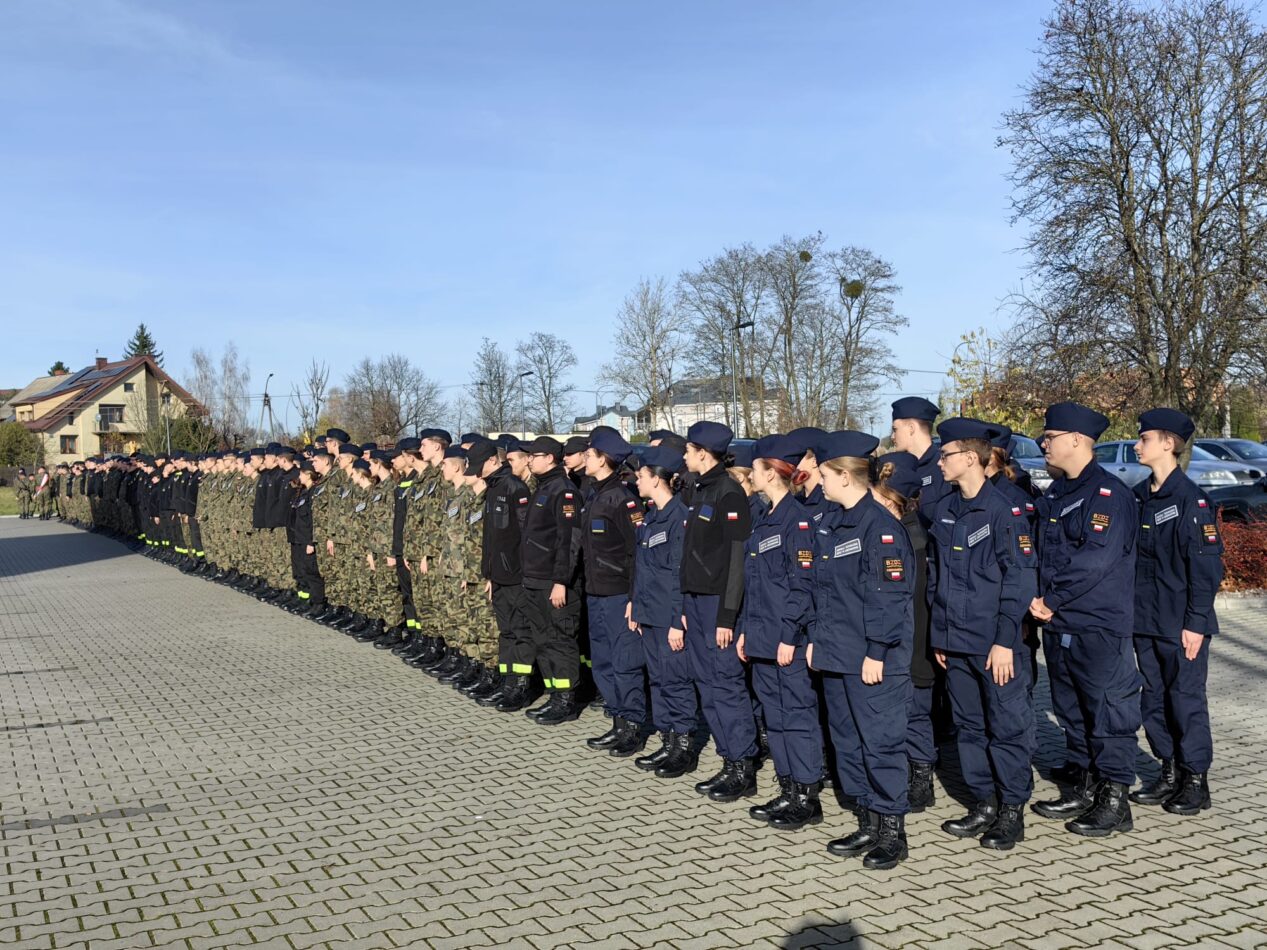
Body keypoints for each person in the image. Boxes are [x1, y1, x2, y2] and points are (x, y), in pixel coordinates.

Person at [1030, 402, 1142, 837]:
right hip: (1060, 624)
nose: (1043, 444)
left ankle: (1115, 801)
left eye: (1050, 437)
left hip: (1097, 624)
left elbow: (1095, 559)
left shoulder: (1107, 494)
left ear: (1077, 439)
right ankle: (1084, 785)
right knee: (1072, 710)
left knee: (1109, 712)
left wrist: (1051, 598)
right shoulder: (1057, 493)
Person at [805, 430, 915, 870]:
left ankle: (892, 831)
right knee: (848, 743)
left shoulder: (881, 528)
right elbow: (822, 591)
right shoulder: (833, 522)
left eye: (824, 475)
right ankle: (867, 819)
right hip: (837, 653)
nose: (819, 481)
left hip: (872, 660)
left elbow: (889, 596)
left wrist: (877, 651)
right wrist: (816, 640)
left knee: (880, 744)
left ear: (845, 477)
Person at [928, 418, 1038, 851]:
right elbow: (937, 578)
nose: (939, 462)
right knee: (969, 727)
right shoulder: (945, 509)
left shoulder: (1003, 510)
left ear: (971, 458)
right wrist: (940, 636)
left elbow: (1019, 578)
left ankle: (1011, 809)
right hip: (956, 642)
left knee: (1006, 727)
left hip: (995, 643)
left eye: (946, 455)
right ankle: (985, 802)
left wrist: (1005, 640)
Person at [1129, 408, 1222, 816]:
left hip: (1180, 623)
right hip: (1145, 620)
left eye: (1144, 438)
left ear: (1168, 444)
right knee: (1153, 700)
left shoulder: (1191, 500)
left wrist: (1196, 623)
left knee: (1185, 700)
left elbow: (1206, 568)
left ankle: (1195, 779)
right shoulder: (1138, 497)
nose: (1137, 445)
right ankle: (1168, 771)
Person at [737, 435, 821, 830]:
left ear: (771, 473)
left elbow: (802, 587)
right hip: (761, 637)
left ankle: (806, 795)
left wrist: (790, 635)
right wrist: (744, 631)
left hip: (786, 641)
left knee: (797, 717)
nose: (750, 476)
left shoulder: (797, 521)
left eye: (755, 470)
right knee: (776, 718)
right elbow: (755, 585)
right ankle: (788, 788)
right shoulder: (765, 517)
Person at [679, 421, 758, 803]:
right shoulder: (699, 489)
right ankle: (728, 759)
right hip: (695, 602)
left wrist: (728, 616)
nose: (684, 456)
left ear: (703, 453)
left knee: (726, 684)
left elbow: (736, 560)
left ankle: (743, 766)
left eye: (688, 450)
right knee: (707, 684)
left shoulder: (729, 493)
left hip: (717, 605)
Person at [871, 452, 937, 813]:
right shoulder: (894, 530)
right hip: (902, 636)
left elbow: (915, 597)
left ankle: (922, 777)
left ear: (893, 498)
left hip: (915, 638)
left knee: (916, 712)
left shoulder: (913, 536)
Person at [627, 445, 698, 777]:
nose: (636, 481)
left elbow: (679, 573)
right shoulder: (652, 516)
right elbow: (644, 568)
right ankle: (667, 741)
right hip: (650, 613)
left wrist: (676, 621)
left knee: (676, 680)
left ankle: (683, 746)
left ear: (656, 479)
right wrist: (636, 606)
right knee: (658, 680)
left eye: (641, 476)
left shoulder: (679, 518)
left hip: (668, 617)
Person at [579, 430, 645, 756]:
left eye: (589, 454)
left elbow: (637, 553)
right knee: (603, 662)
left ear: (604, 459)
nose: (584, 459)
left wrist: (634, 598)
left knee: (625, 663)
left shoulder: (623, 499)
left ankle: (633, 726)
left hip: (619, 595)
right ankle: (618, 720)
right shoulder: (595, 494)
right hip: (596, 592)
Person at [512, 436, 584, 725]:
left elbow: (569, 540)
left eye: (535, 455)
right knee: (543, 640)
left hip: (554, 583)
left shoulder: (564, 492)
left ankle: (566, 699)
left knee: (559, 641)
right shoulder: (542, 488)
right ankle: (554, 693)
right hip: (534, 579)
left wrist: (561, 581)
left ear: (550, 458)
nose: (529, 460)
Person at [890, 397, 950, 520]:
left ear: (911, 428)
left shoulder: (943, 468)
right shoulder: (900, 470)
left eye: (895, 430)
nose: (892, 436)